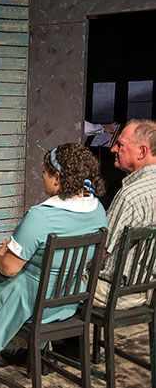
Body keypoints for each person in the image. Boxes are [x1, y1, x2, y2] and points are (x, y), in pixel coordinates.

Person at [0, 143, 108, 380]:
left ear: (58, 177)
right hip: (68, 298)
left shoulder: (41, 216)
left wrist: (1, 254)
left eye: (44, 172)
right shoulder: (97, 210)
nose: (42, 177)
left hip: (31, 302)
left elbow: (9, 268)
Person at [94, 119, 156, 308]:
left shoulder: (130, 195)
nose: (113, 149)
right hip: (147, 289)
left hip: (114, 291)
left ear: (142, 151)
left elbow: (100, 251)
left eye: (120, 144)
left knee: (48, 279)